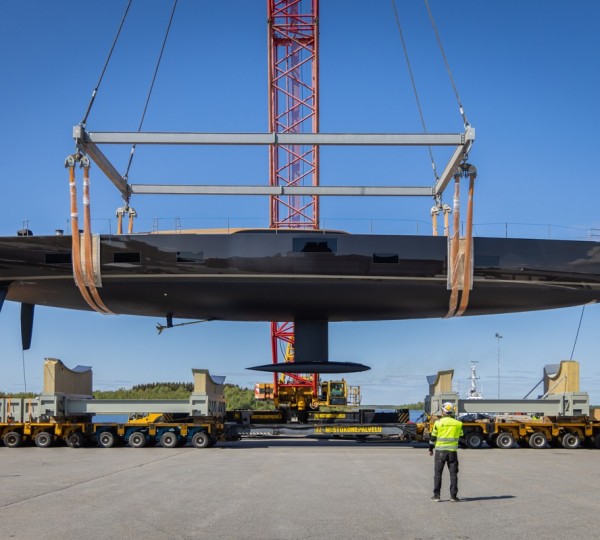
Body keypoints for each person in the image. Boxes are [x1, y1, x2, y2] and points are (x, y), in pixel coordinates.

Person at [429, 402, 463, 502]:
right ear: (452, 411)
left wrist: (430, 449)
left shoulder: (438, 423)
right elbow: (461, 435)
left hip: (440, 451)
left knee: (438, 474)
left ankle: (436, 496)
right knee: (453, 474)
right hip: (452, 452)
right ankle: (453, 496)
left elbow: (433, 438)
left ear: (443, 411)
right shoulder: (458, 423)